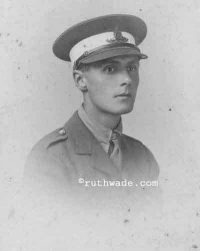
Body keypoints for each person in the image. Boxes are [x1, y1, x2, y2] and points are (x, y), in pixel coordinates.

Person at [24, 14, 160, 195]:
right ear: (80, 80)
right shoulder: (50, 158)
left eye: (132, 68)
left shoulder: (143, 157)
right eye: (110, 69)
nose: (127, 79)